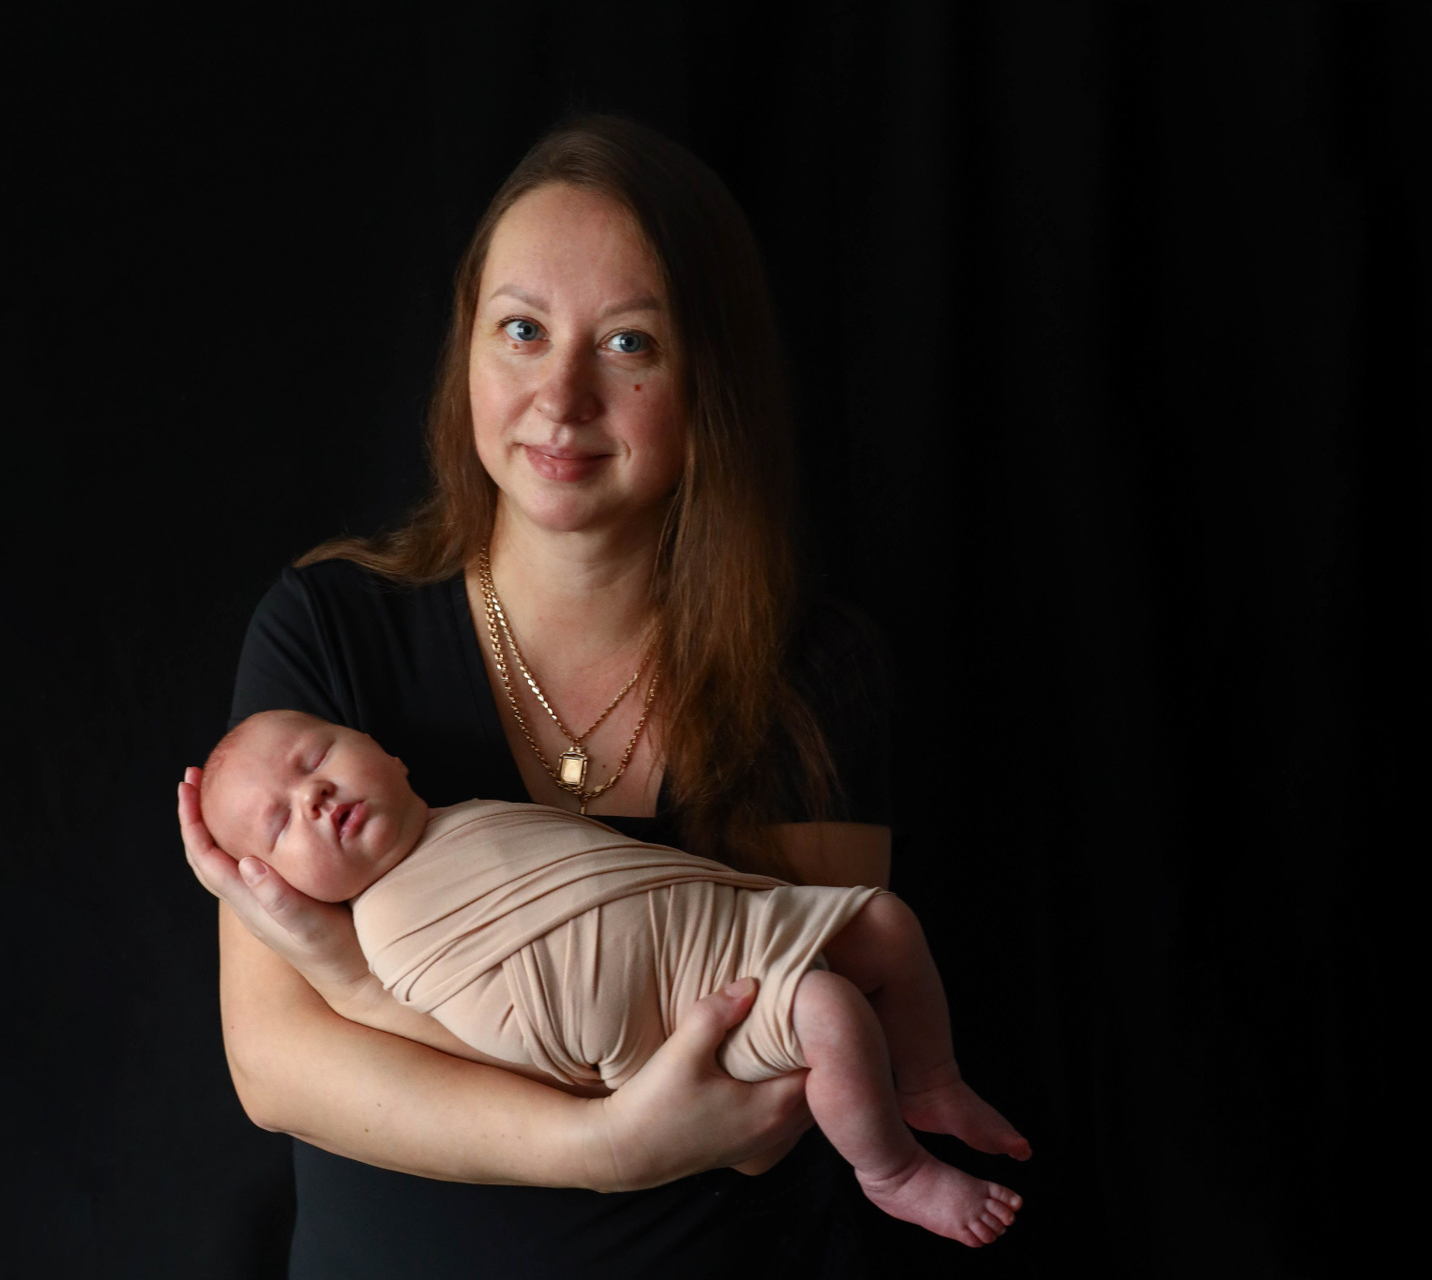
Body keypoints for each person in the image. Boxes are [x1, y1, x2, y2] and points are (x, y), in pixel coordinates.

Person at [178, 114, 940, 1276]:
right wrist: (605, 1144)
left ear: (711, 378)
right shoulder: (330, 630)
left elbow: (798, 1085)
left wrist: (369, 996)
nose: (561, 396)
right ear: (466, 352)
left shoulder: (813, 669)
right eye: (522, 330)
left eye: (629, 343)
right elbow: (278, 1064)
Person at [197, 709, 1028, 1248]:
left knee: (885, 921)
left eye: (317, 757)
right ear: (278, 887)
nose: (313, 795)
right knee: (832, 1010)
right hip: (682, 1027)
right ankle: (893, 1171)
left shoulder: (473, 815)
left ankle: (930, 1078)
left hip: (729, 934)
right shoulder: (385, 942)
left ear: (388, 753)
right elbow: (485, 1043)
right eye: (279, 823)